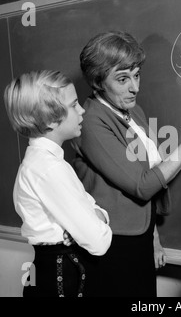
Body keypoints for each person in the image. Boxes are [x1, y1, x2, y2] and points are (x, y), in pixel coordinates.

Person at [72, 31, 181, 297]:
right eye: (122, 79)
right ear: (97, 82)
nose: (135, 87)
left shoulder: (132, 110)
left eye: (136, 74)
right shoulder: (92, 121)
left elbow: (146, 174)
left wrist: (153, 237)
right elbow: (143, 185)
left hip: (140, 236)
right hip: (113, 241)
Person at [3, 70, 112, 297]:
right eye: (74, 105)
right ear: (52, 119)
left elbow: (95, 213)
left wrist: (96, 215)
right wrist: (96, 216)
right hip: (63, 282)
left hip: (56, 274)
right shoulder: (49, 169)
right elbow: (99, 241)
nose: (82, 109)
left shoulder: (45, 162)